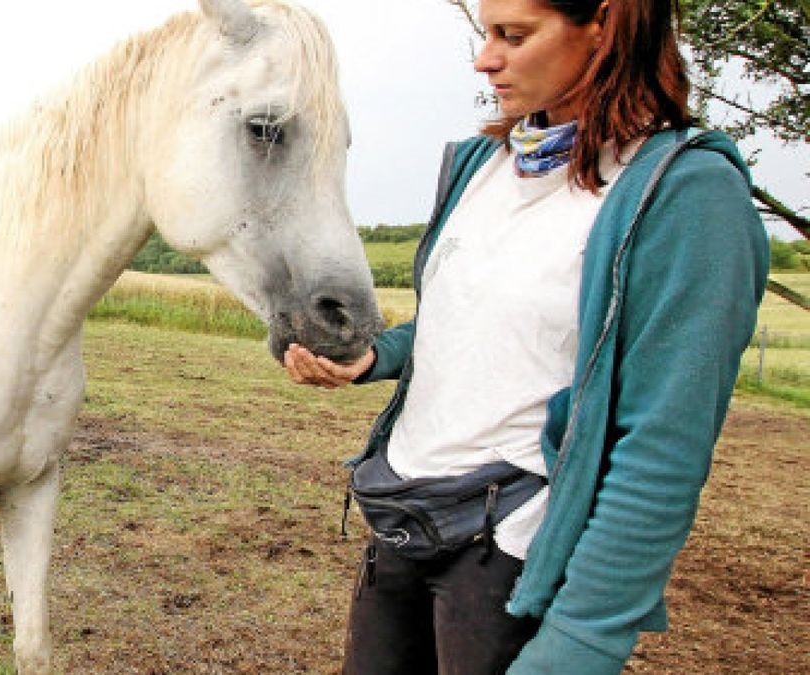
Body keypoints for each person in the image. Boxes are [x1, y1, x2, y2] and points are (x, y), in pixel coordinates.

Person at [282, 0, 770, 673]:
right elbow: (465, 321)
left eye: (514, 35)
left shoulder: (687, 195)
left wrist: (581, 641)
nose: (485, 59)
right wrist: (377, 355)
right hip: (404, 520)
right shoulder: (481, 165)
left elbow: (664, 447)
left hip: (507, 555)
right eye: (487, 33)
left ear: (605, 24)